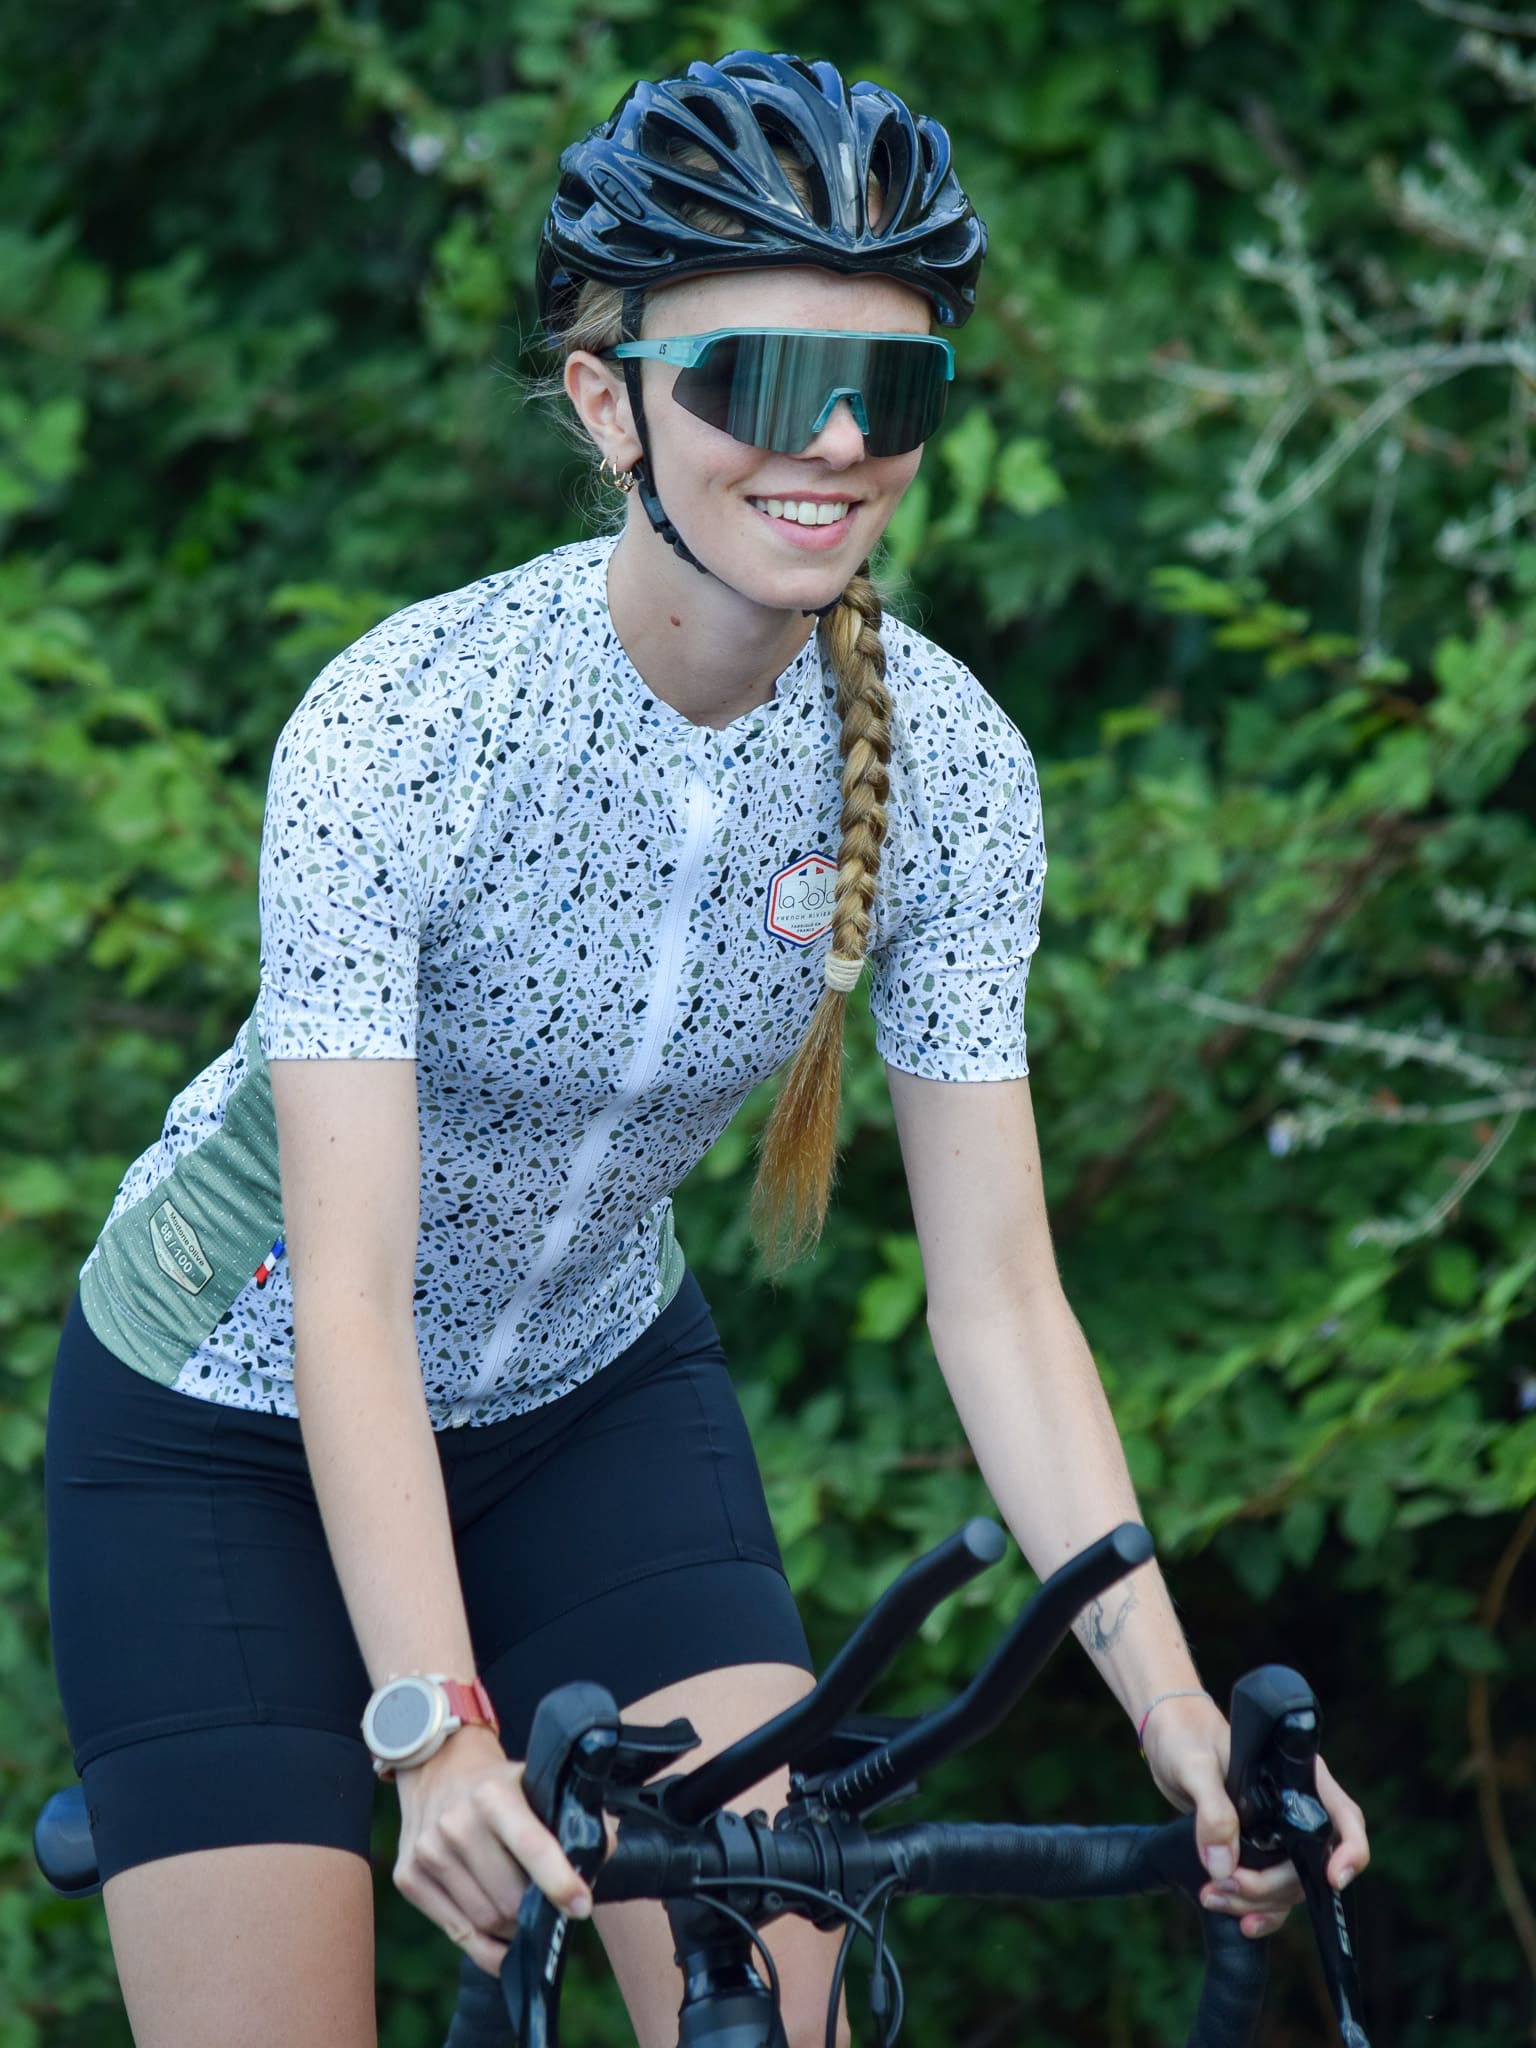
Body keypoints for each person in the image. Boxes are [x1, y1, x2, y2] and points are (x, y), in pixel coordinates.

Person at [43, 49, 1368, 2048]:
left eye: (890, 388)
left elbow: (1001, 1299)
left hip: (592, 1402)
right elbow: (349, 1293)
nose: (829, 436)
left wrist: (1176, 1712)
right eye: (759, 375)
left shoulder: (952, 769)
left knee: (775, 1988)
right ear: (611, 405)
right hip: (223, 1415)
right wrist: (435, 1726)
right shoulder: (406, 727)